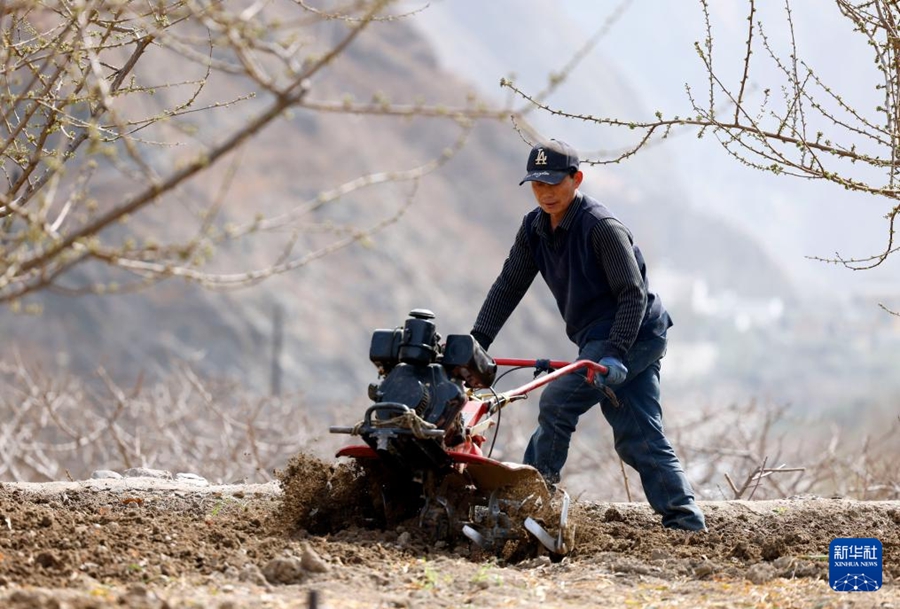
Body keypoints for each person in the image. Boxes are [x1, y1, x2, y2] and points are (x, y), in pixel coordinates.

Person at [470, 139, 706, 531]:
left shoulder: (600, 227)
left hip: (635, 330)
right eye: (536, 184)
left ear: (576, 179)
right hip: (598, 336)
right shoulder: (534, 228)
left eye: (554, 183)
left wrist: (614, 353)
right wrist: (479, 342)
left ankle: (532, 505)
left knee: (558, 402)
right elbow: (509, 284)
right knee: (637, 433)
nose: (545, 193)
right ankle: (685, 522)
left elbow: (632, 294)